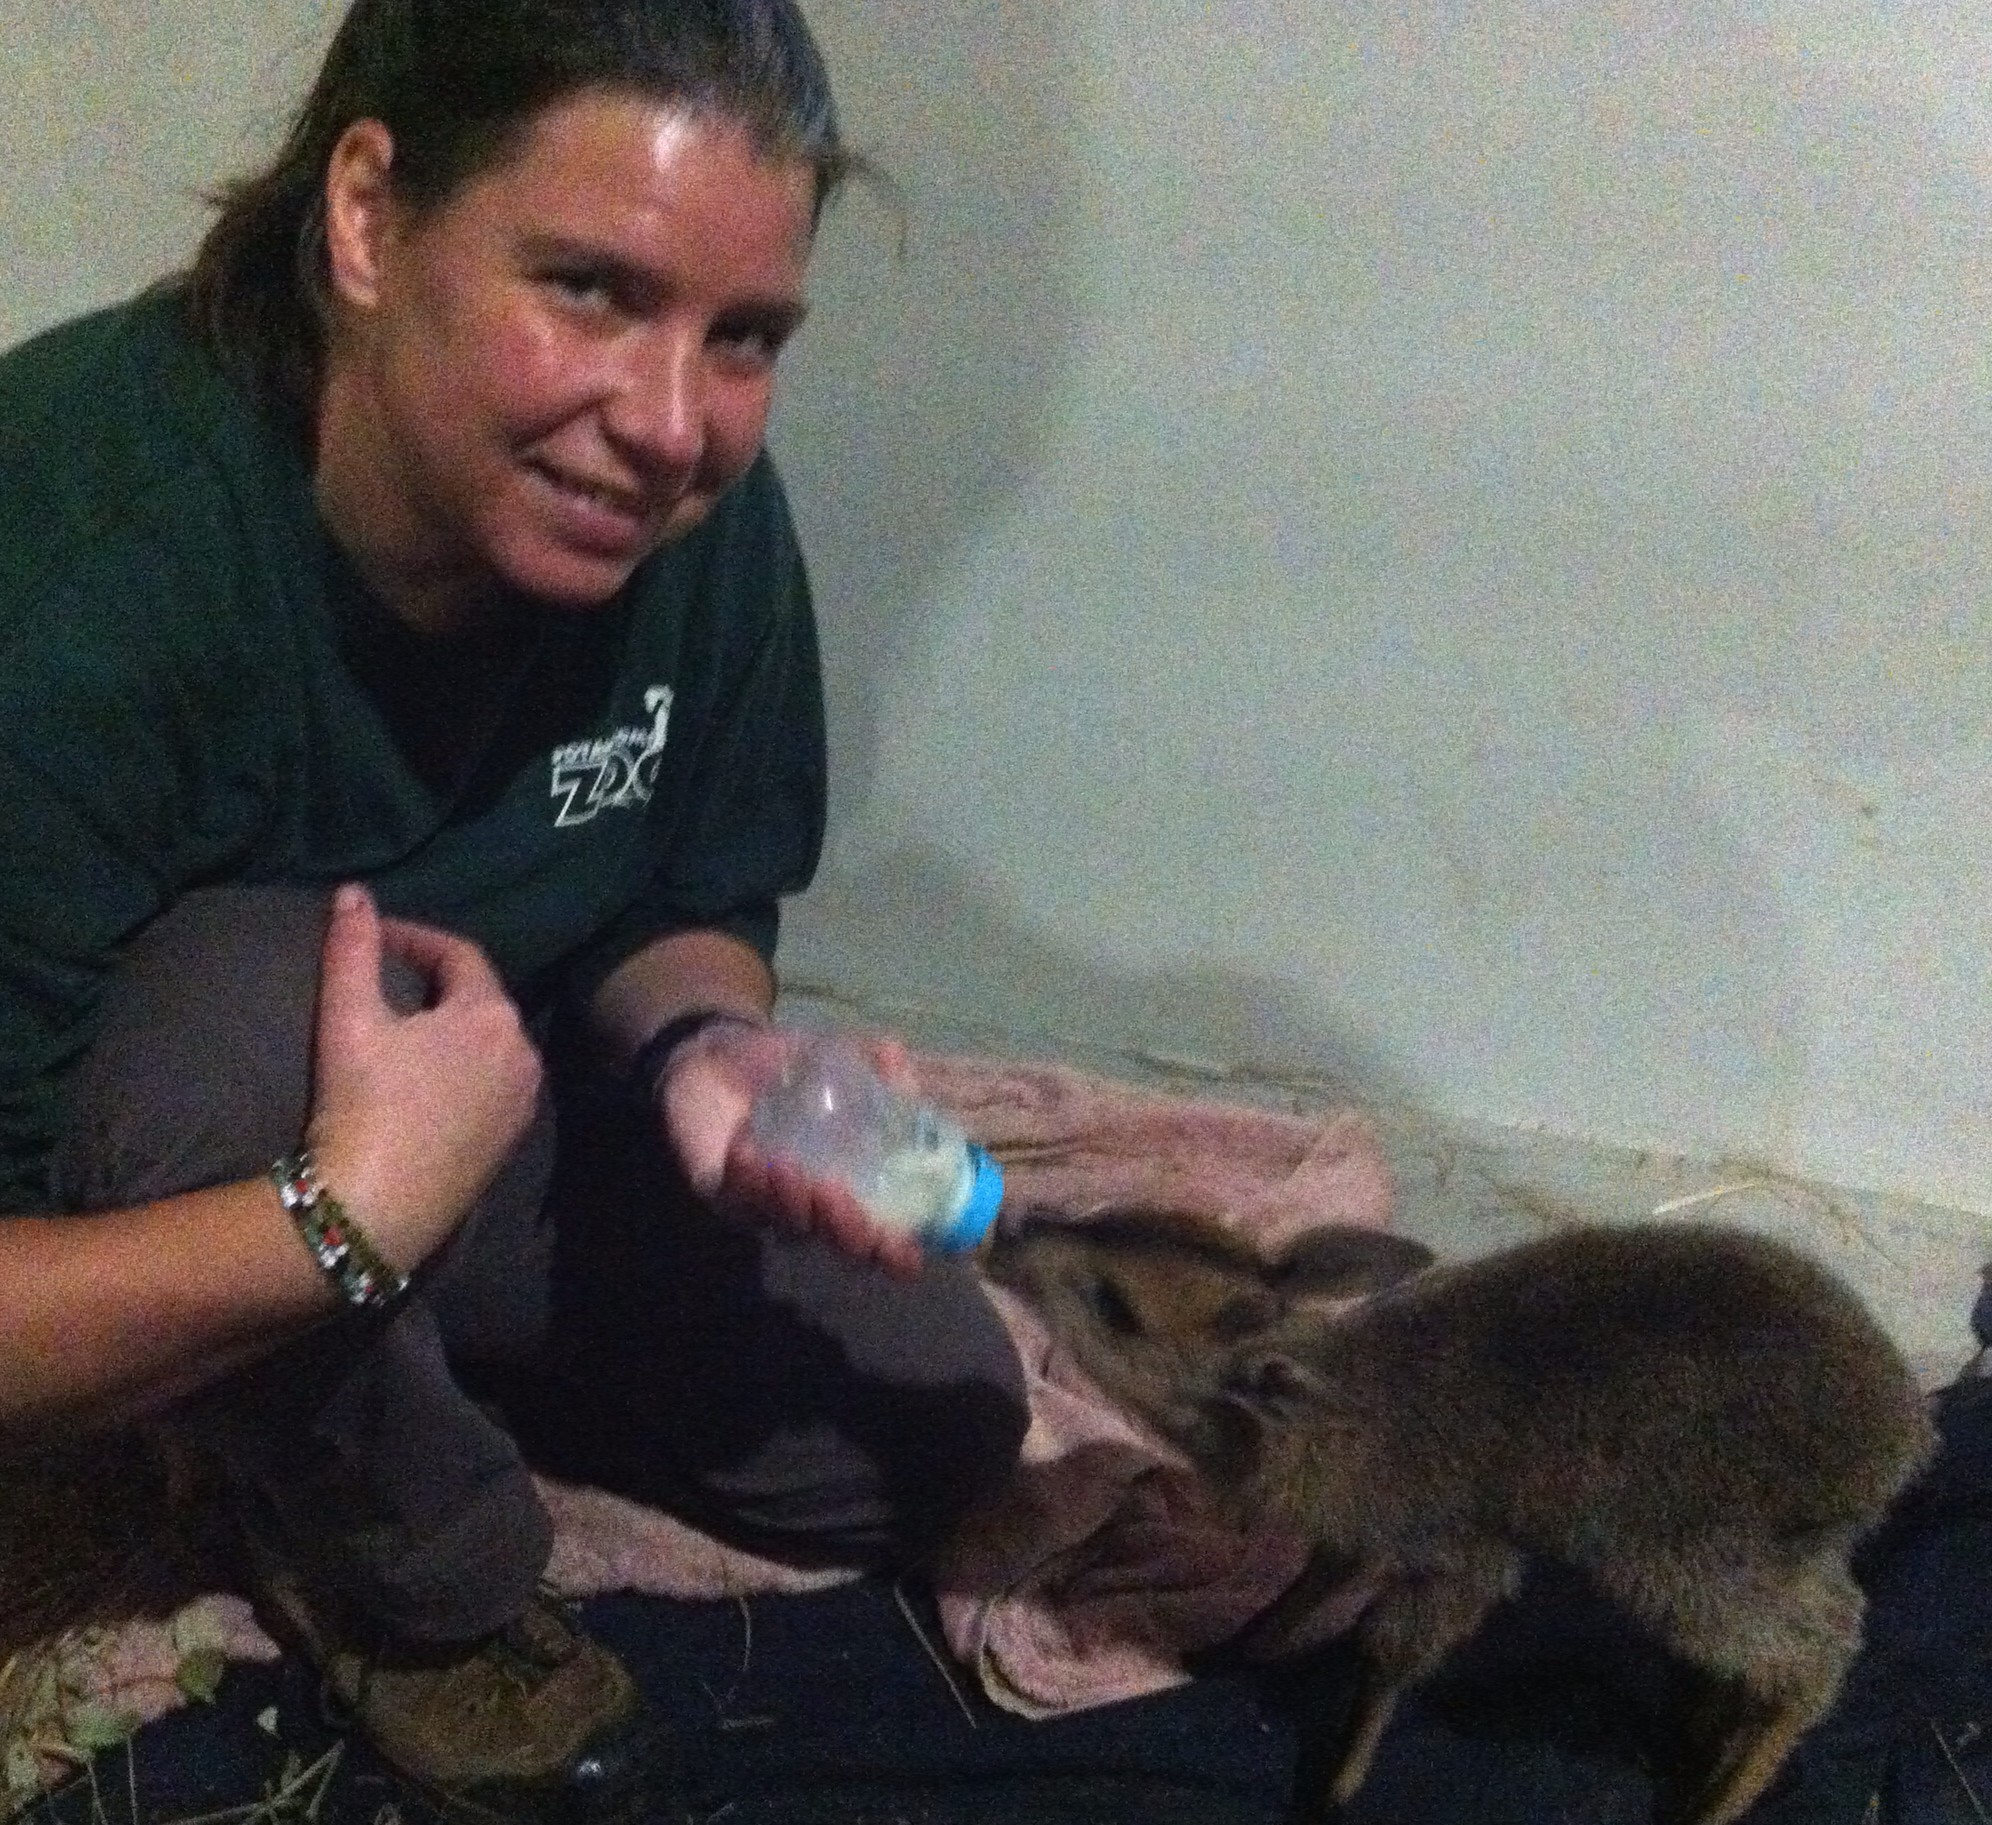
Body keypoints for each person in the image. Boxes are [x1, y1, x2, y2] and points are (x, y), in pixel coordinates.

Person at [0, 0, 1029, 1813]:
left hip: (482, 1119)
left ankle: (283, 1376)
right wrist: (345, 1221)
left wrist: (709, 1050)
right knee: (257, 1008)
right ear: (371, 217)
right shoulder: (72, 577)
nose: (669, 426)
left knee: (928, 1418)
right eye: (591, 291)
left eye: (746, 337)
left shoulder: (692, 520)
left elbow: (691, 882)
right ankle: (408, 1573)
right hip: (235, 1122)